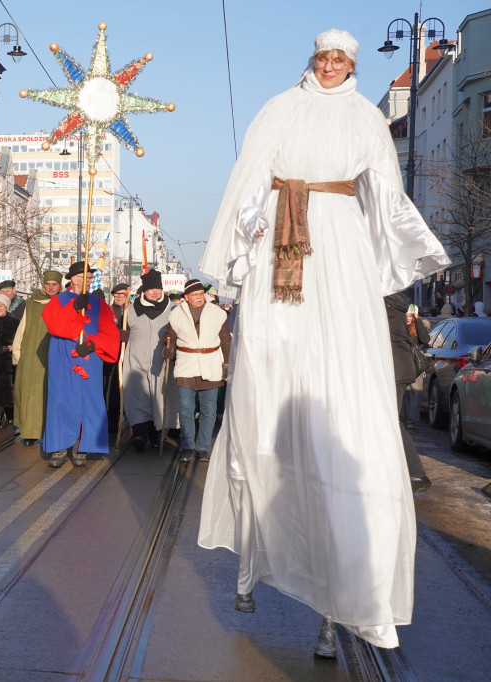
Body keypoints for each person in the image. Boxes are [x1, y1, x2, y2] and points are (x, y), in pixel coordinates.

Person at [196, 29, 451, 654]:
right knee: (265, 377)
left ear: (352, 65)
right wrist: (242, 246)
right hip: (280, 243)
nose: (331, 67)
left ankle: (346, 595)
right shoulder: (279, 108)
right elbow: (250, 180)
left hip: (336, 242)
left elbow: (386, 193)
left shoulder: (367, 116)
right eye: (323, 58)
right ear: (312, 60)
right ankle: (256, 555)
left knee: (345, 385)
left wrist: (411, 248)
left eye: (341, 60)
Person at [41, 262, 120, 467]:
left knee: (88, 401)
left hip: (89, 358)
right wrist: (74, 307)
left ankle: (81, 446)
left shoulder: (98, 303)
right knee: (60, 400)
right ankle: (59, 446)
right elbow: (53, 324)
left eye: (90, 278)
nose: (88, 281)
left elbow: (109, 331)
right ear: (73, 279)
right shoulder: (59, 300)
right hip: (63, 358)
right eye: (84, 277)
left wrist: (93, 345)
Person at [161, 279, 231, 462]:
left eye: (201, 294)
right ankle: (187, 446)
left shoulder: (218, 313)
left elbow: (225, 340)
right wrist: (167, 348)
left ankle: (203, 448)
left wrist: (227, 364)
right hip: (186, 364)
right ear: (186, 297)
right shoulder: (176, 315)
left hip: (211, 363)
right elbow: (169, 336)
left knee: (209, 409)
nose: (199, 297)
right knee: (185, 408)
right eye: (194, 295)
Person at [123, 270, 178, 450]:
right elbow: (122, 330)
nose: (155, 292)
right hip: (135, 361)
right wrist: (121, 335)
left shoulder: (172, 309)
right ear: (144, 291)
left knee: (159, 398)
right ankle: (140, 433)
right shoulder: (131, 309)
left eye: (158, 288)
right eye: (151, 289)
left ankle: (157, 435)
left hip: (161, 363)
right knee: (137, 396)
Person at [386, 293, 431, 492]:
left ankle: (417, 473)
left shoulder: (383, 309)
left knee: (391, 422)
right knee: (391, 420)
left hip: (394, 369)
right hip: (400, 367)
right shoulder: (396, 308)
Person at [12, 271, 62, 447]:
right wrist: (18, 352)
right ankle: (30, 432)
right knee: (31, 393)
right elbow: (23, 327)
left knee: (54, 393)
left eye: (54, 284)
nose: (50, 287)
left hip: (57, 353)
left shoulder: (65, 302)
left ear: (59, 285)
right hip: (33, 353)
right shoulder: (31, 303)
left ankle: (53, 431)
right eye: (47, 284)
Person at [0, 292, 19, 432]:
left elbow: (20, 338)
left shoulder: (14, 321)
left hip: (8, 360)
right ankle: (7, 416)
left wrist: (12, 347)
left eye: (1, 306)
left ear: (6, 306)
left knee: (6, 390)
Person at [104, 282, 130, 434]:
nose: (119, 297)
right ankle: (112, 422)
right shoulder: (108, 311)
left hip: (128, 356)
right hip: (112, 357)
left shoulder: (132, 311)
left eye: (123, 294)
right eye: (117, 295)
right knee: (111, 391)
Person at [402, 304, 428, 426]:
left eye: (410, 316)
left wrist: (417, 320)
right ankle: (401, 417)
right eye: (406, 315)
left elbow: (425, 339)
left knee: (414, 392)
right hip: (402, 363)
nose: (408, 318)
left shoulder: (416, 327)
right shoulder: (399, 326)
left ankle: (410, 420)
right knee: (403, 392)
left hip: (415, 364)